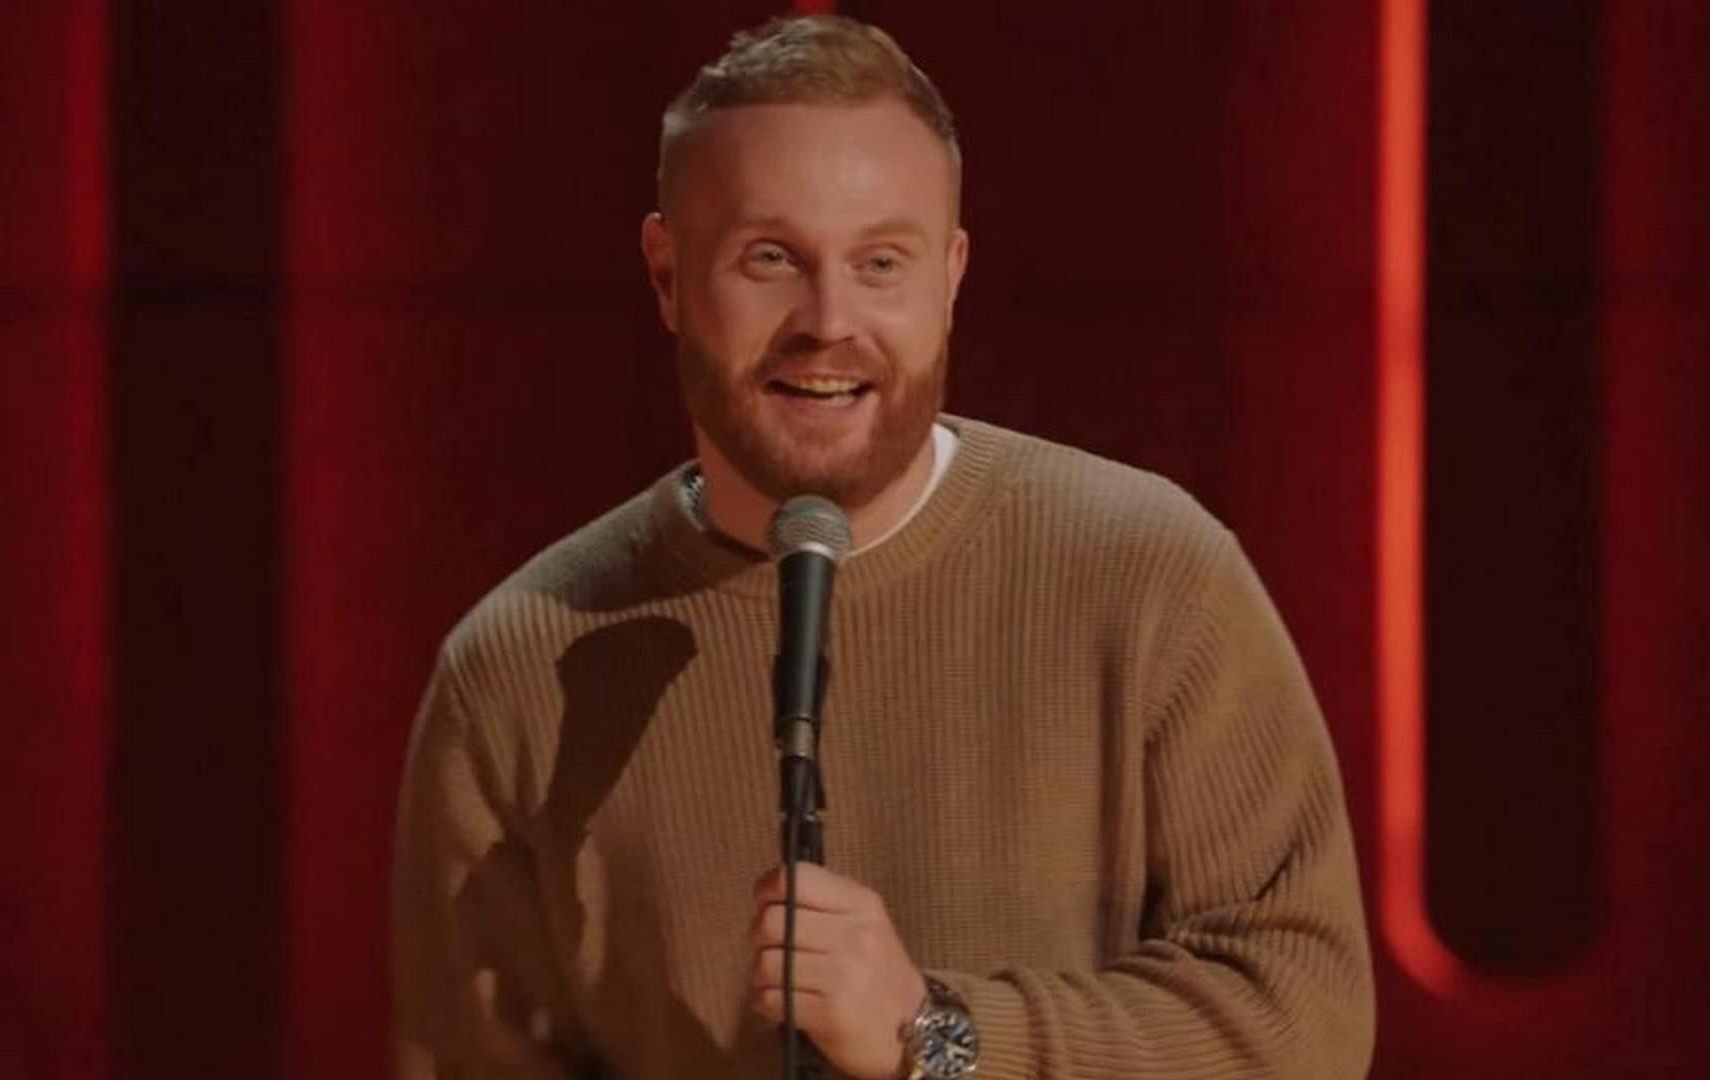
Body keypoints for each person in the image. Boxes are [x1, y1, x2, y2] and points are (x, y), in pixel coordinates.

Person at [393, 14, 1373, 1079]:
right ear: (667, 274)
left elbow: (1303, 1024)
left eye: (881, 262)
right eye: (771, 258)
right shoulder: (515, 668)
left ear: (950, 277)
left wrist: (934, 1031)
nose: (829, 319)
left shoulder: (1154, 578)